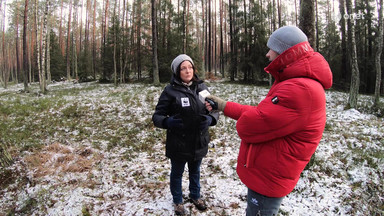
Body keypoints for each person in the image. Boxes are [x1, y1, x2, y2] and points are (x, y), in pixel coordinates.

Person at [205, 26, 333, 215]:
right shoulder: (298, 83)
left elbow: (249, 126)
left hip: (269, 176)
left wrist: (244, 120)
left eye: (271, 49)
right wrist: (223, 105)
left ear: (285, 53)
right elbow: (263, 115)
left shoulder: (298, 89)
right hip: (270, 171)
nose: (267, 54)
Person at [152, 54, 219, 215]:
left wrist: (210, 119)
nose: (188, 71)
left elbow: (214, 109)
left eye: (190, 67)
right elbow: (157, 116)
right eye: (183, 68)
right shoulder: (170, 91)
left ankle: (195, 196)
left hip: (198, 140)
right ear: (177, 71)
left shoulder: (202, 88)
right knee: (177, 173)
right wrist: (167, 122)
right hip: (179, 142)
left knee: (195, 171)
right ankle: (178, 201)